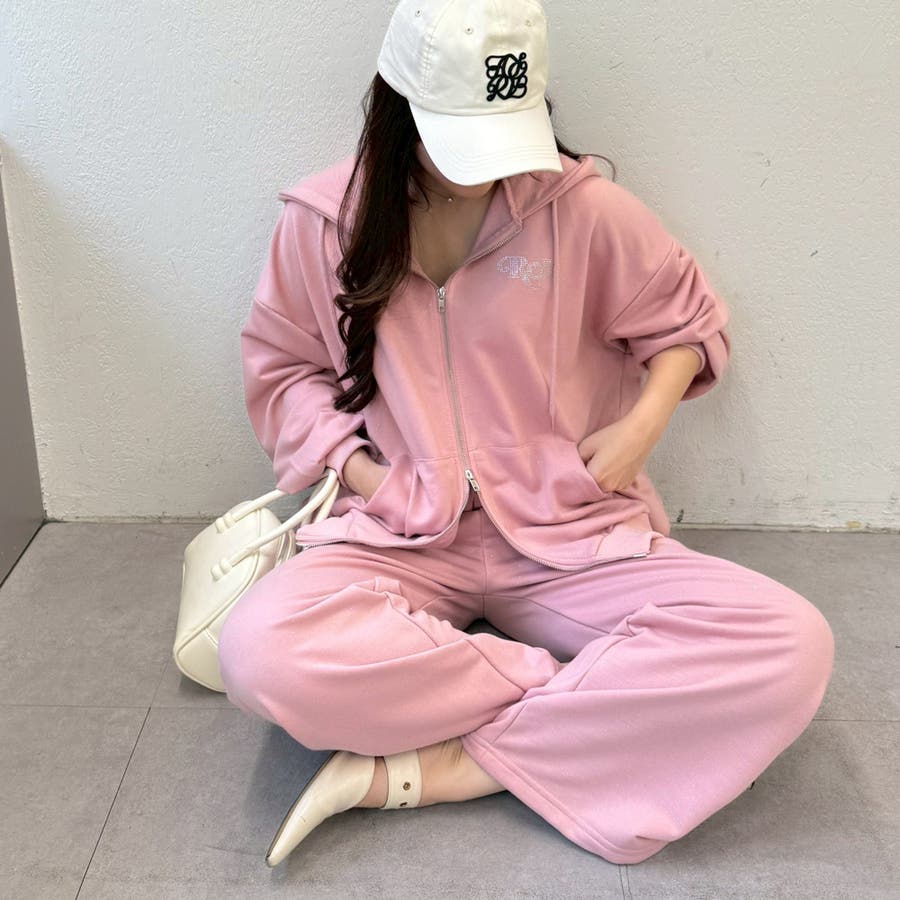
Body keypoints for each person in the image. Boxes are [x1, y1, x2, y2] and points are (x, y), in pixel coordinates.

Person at [217, 0, 835, 869]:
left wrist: (641, 427)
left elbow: (687, 325)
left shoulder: (581, 208)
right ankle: (596, 698)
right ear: (400, 105)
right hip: (403, 531)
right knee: (260, 653)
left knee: (791, 642)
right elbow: (285, 373)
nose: (486, 169)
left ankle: (460, 765)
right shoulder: (324, 223)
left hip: (567, 527)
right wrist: (362, 474)